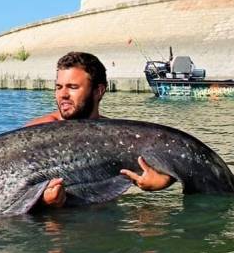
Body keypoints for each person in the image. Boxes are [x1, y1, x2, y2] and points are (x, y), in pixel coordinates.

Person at [25, 52, 176, 208]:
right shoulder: (36, 133)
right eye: (58, 87)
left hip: (109, 221)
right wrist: (41, 201)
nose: (63, 94)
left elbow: (165, 162)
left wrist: (163, 180)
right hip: (56, 225)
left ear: (99, 91)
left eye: (73, 87)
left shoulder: (116, 136)